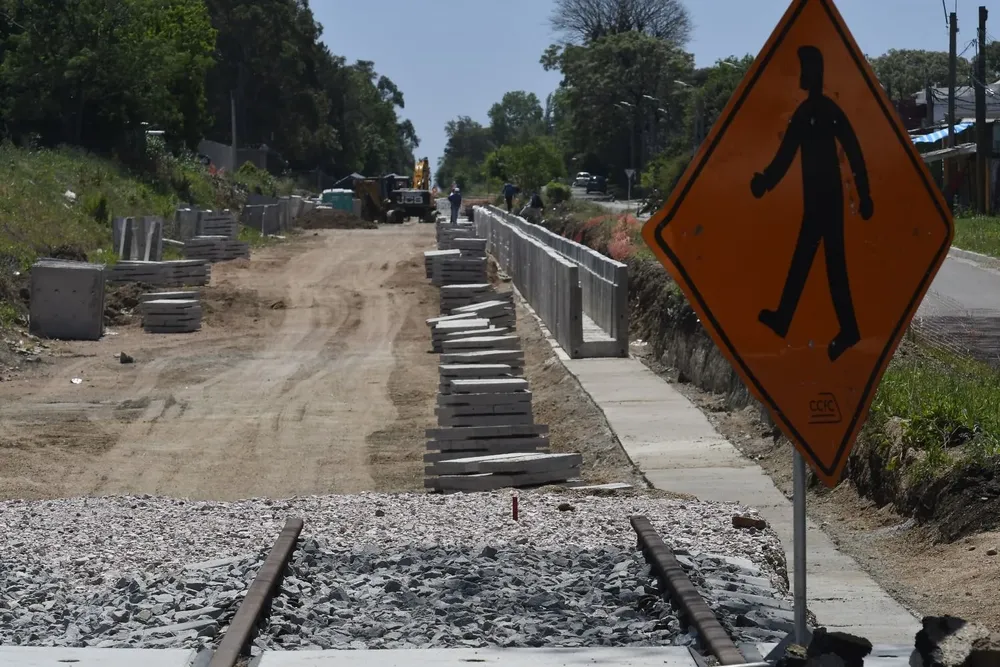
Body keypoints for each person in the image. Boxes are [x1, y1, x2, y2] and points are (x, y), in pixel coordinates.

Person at [750, 44, 873, 363]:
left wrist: (865, 194)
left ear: (815, 73)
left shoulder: (826, 111)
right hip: (817, 200)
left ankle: (840, 328)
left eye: (805, 70)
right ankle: (792, 319)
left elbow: (855, 152)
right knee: (810, 259)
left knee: (827, 262)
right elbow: (786, 154)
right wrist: (765, 181)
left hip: (828, 200)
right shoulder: (805, 114)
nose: (802, 76)